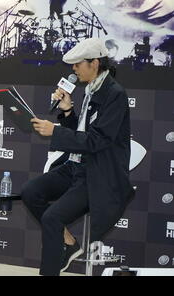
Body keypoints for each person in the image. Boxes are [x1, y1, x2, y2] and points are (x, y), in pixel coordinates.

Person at [21, 38, 133, 276]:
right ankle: (70, 243)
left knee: (52, 218)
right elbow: (82, 134)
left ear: (95, 63)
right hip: (75, 165)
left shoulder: (114, 94)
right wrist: (68, 110)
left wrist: (55, 131)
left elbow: (97, 141)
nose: (73, 69)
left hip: (96, 174)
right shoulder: (92, 89)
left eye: (77, 64)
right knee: (31, 191)